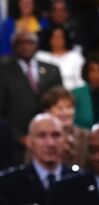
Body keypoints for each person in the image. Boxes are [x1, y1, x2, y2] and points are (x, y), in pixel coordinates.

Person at [0, 30, 62, 162]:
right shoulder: (3, 71)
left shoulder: (52, 70)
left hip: (49, 141)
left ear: (37, 45)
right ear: (14, 46)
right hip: (14, 144)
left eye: (30, 42)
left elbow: (59, 104)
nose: (26, 46)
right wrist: (20, 138)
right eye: (21, 43)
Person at [42, 86, 90, 170]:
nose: (66, 112)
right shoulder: (40, 137)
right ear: (47, 111)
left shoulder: (86, 136)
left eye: (69, 107)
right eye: (60, 108)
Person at [35, 25, 85, 90]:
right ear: (49, 39)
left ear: (65, 39)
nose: (57, 40)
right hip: (46, 94)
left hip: (71, 93)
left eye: (60, 37)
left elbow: (80, 81)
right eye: (54, 37)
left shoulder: (75, 57)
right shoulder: (40, 56)